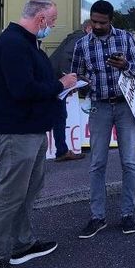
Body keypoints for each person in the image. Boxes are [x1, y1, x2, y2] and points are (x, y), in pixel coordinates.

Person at [0, 0, 77, 268]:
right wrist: (61, 84)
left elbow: (32, 82)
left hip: (30, 130)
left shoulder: (26, 42)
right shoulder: (13, 44)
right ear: (41, 19)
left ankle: (22, 244)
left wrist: (58, 84)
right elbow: (23, 89)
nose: (55, 24)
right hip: (15, 132)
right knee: (10, 196)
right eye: (53, 18)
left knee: (28, 191)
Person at [71, 0, 135, 238]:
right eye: (94, 21)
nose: (97, 26)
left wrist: (125, 65)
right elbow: (77, 75)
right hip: (99, 108)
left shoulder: (125, 38)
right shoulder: (82, 44)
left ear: (111, 20)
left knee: (129, 163)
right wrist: (81, 83)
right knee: (97, 163)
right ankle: (97, 217)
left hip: (125, 107)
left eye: (102, 22)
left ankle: (127, 214)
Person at [48, 20, 92, 162]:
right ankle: (61, 151)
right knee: (58, 116)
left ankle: (62, 150)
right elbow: (66, 60)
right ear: (89, 28)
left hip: (54, 80)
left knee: (59, 115)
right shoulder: (79, 39)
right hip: (55, 82)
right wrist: (68, 81)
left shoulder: (75, 38)